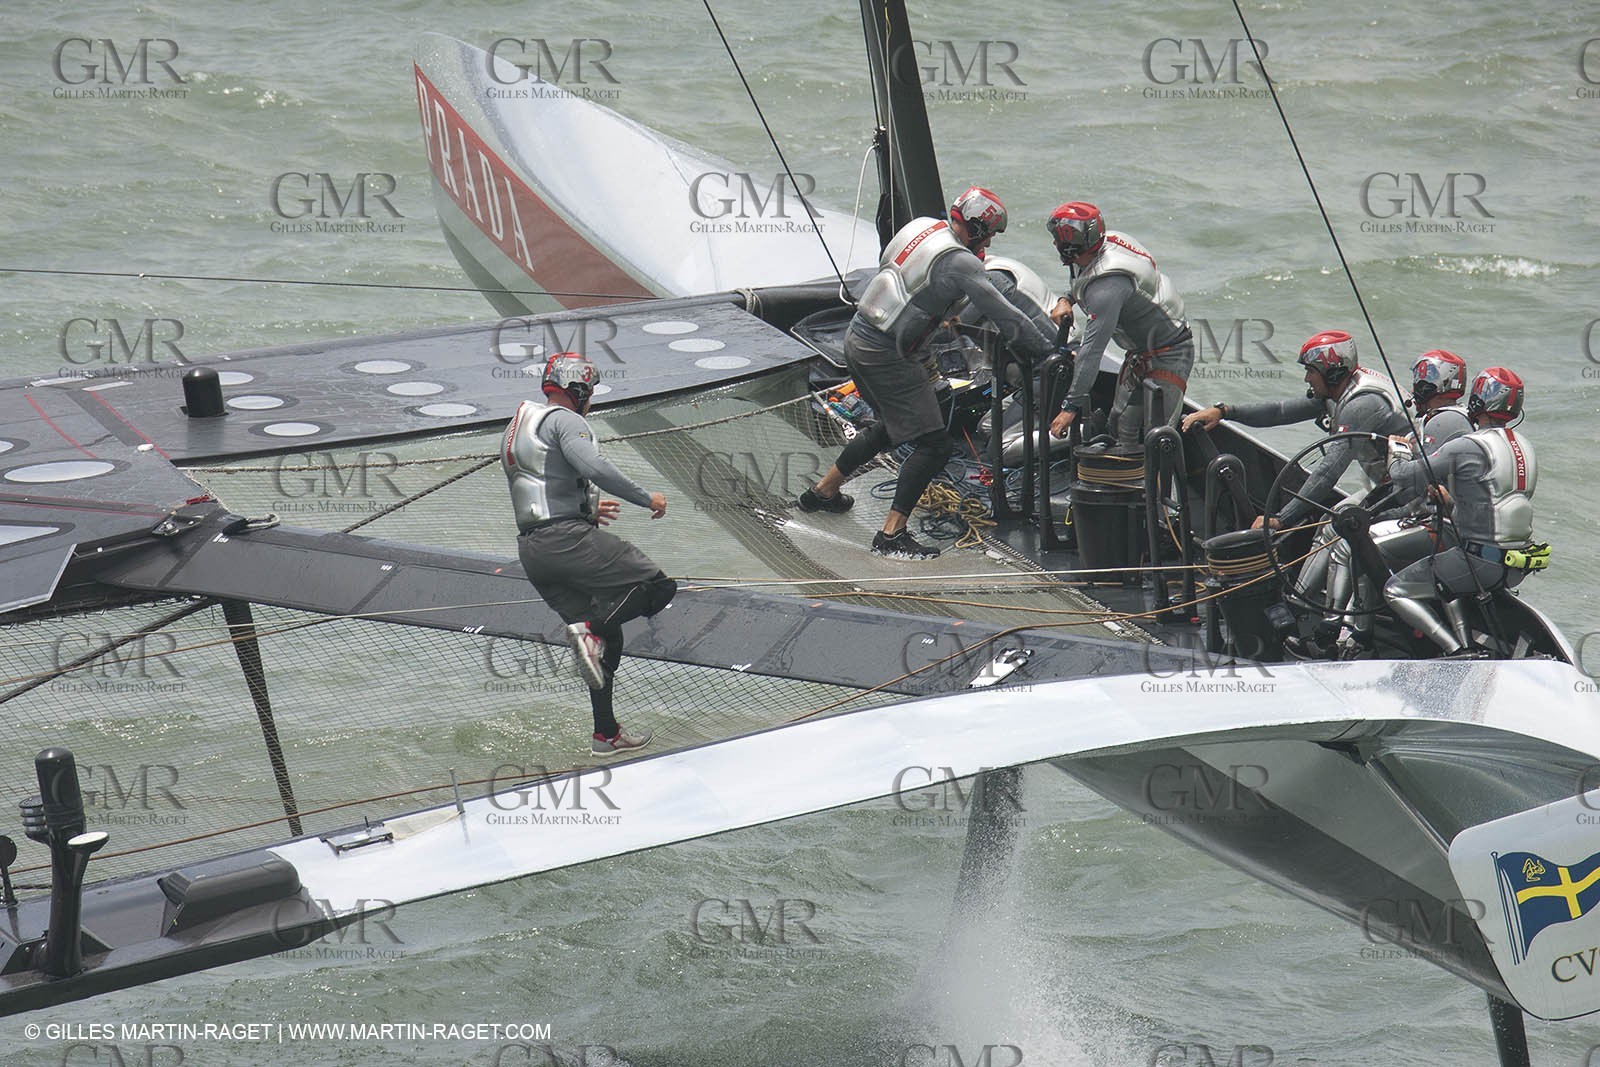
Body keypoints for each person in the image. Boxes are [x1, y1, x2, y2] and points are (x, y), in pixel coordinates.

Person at [798, 186, 1056, 560]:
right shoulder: (961, 262)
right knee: (934, 445)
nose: (990, 241)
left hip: (858, 337)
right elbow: (1004, 314)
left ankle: (822, 492)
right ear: (980, 230)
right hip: (889, 354)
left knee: (889, 426)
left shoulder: (921, 228)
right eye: (990, 233)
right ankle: (891, 534)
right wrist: (1050, 351)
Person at [502, 352, 677, 755]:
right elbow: (592, 465)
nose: (592, 399)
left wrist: (586, 508)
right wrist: (646, 497)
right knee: (657, 586)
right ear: (577, 389)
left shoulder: (518, 426)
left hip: (533, 548)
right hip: (565, 540)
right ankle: (590, 631)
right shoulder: (567, 420)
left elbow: (538, 482)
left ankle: (606, 735)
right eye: (590, 391)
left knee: (606, 643)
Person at [1303, 350, 1474, 655]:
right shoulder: (1452, 419)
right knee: (1353, 525)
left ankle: (1341, 628)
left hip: (1439, 524)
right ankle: (1353, 629)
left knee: (1352, 543)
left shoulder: (1442, 422)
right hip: (1444, 519)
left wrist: (1397, 458)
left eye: (1420, 381)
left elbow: (1411, 482)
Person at [1383, 367, 1545, 655]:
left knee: (1395, 589)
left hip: (1479, 563)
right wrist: (1451, 501)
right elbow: (1493, 499)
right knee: (1446, 569)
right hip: (1515, 564)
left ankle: (1458, 650)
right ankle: (1466, 640)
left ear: (1476, 401)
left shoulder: (1467, 445)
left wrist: (1397, 450)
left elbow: (1404, 476)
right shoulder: (1525, 447)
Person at [1045, 202, 1192, 448]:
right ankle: (1128, 482)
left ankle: (1159, 485)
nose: (1054, 244)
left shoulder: (1107, 288)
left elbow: (1092, 352)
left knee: (1158, 440)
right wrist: (1066, 299)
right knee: (1120, 424)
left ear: (1073, 246)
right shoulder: (1110, 241)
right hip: (1140, 353)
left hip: (1170, 354)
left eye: (1058, 240)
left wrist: (1070, 408)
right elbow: (1082, 278)